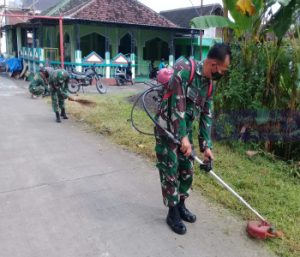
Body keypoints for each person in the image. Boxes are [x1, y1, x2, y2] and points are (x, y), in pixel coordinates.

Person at [154, 43, 231, 235]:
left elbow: (207, 115)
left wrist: (206, 147)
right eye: (223, 69)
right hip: (167, 128)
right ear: (213, 64)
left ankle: (180, 205)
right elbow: (177, 106)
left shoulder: (210, 85)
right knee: (171, 169)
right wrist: (183, 138)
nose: (223, 73)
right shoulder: (185, 70)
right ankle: (172, 212)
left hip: (184, 131)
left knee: (187, 168)